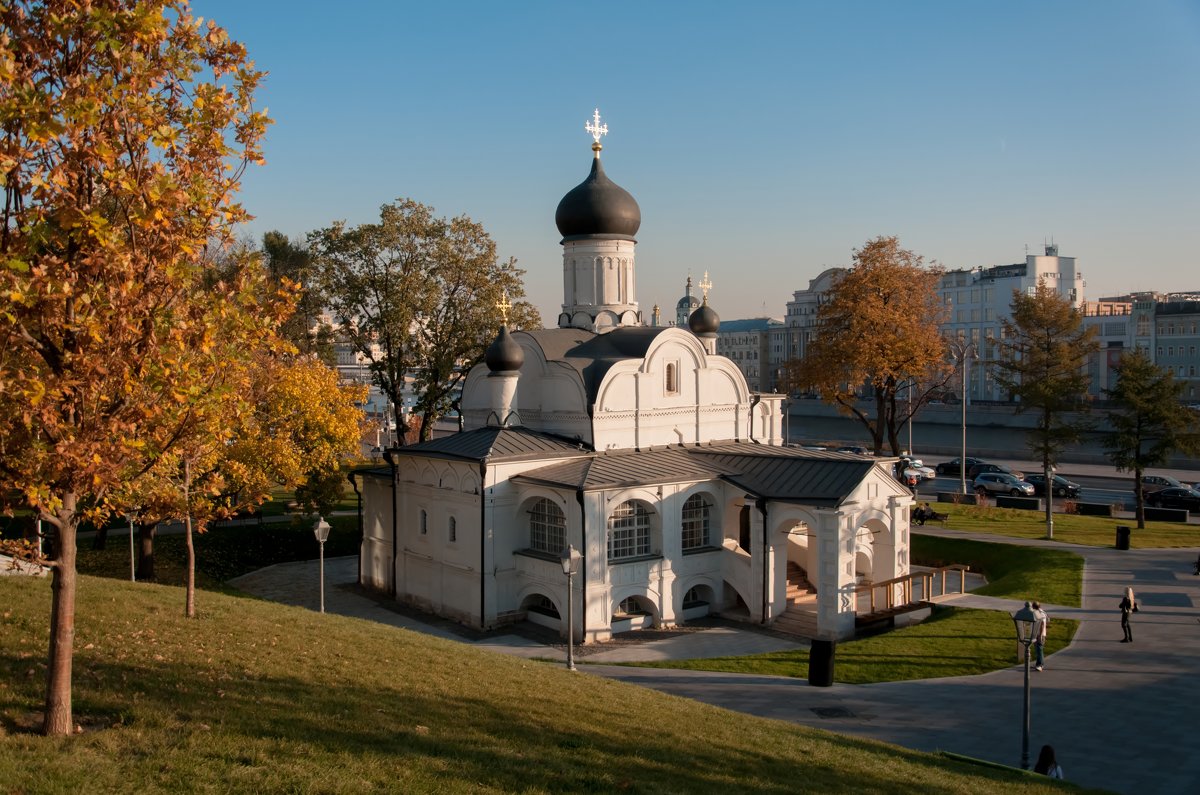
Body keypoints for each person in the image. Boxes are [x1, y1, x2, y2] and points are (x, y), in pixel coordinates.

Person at [1031, 601, 1048, 671]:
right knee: (1038, 650)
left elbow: (1042, 624)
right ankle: (1038, 664)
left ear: (1034, 607)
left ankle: (1040, 665)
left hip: (1040, 635)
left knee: (1039, 649)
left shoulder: (1040, 613)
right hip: (1037, 634)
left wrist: (1040, 636)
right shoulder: (1041, 612)